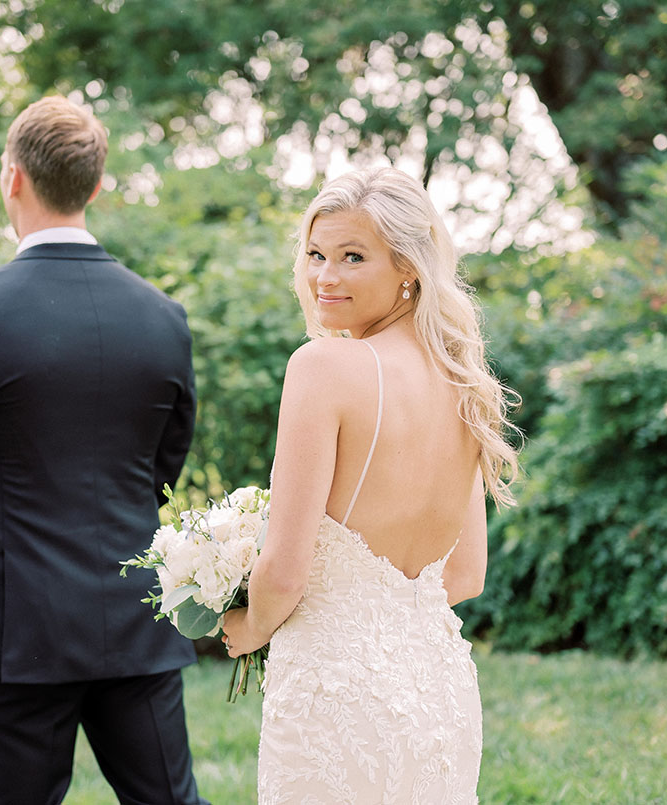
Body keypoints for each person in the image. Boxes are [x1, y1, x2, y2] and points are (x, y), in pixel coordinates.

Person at [0, 95, 207, 805]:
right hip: (136, 614)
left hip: (12, 624)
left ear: (13, 178)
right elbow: (165, 460)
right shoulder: (164, 317)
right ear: (97, 186)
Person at [222, 167, 520, 803]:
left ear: (408, 266)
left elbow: (284, 570)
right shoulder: (463, 381)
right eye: (315, 255)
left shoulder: (324, 367)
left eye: (352, 257)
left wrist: (249, 628)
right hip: (438, 694)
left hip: (336, 697)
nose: (325, 277)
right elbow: (465, 575)